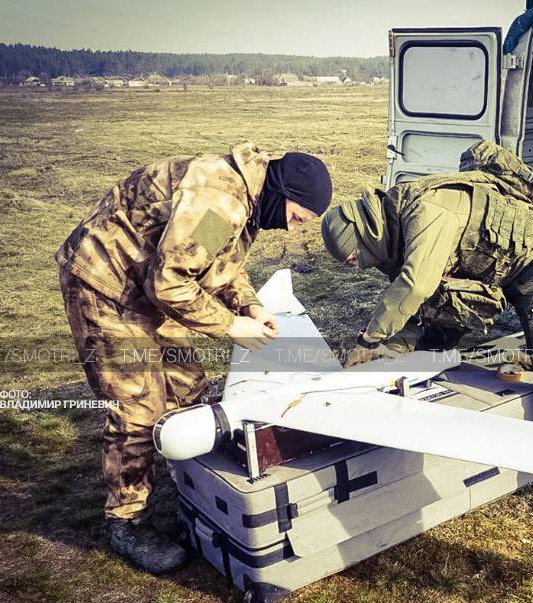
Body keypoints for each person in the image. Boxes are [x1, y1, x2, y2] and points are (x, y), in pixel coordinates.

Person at [56, 141, 332, 573]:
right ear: (283, 194)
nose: (294, 228)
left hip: (151, 285)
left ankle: (193, 490)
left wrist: (249, 305)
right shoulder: (219, 199)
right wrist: (229, 327)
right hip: (107, 286)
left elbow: (218, 260)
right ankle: (128, 522)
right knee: (137, 410)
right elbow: (171, 285)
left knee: (190, 392)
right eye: (298, 217)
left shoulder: (250, 197)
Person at [320, 141, 533, 529]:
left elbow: (415, 285)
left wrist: (368, 341)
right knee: (429, 348)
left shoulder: (427, 211)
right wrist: (379, 360)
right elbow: (414, 307)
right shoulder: (394, 223)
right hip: (483, 270)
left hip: (531, 264)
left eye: (353, 258)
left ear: (366, 234)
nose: (357, 267)